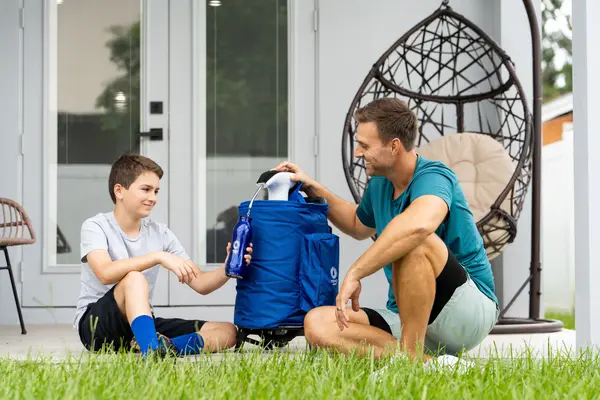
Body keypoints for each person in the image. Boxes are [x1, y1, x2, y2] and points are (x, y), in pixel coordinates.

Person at [274, 98, 499, 370]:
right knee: (318, 324)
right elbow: (358, 224)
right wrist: (313, 187)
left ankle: (410, 356)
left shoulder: (436, 177)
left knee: (415, 241)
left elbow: (419, 226)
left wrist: (356, 272)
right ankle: (430, 365)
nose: (357, 152)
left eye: (365, 145)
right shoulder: (380, 184)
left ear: (394, 146)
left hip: (466, 312)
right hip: (407, 318)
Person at [74, 152, 252, 357]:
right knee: (134, 278)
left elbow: (201, 284)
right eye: (146, 190)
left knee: (227, 332)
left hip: (139, 325)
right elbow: (105, 272)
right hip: (96, 326)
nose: (153, 198)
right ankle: (151, 351)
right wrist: (158, 256)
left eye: (156, 191)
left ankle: (161, 348)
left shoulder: (161, 233)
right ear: (119, 191)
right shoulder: (96, 226)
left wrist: (227, 267)